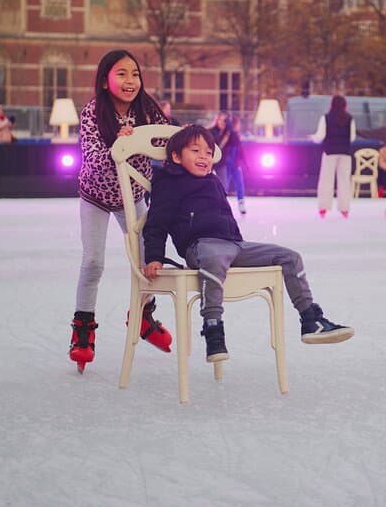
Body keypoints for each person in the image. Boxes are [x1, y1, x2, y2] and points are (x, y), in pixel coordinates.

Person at [142, 125, 354, 362]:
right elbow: (156, 224)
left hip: (233, 244)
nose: (204, 157)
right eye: (195, 151)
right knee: (214, 259)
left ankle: (310, 319)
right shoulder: (169, 184)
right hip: (200, 247)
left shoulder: (212, 181)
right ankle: (213, 329)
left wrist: (236, 243)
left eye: (209, 152)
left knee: (290, 257)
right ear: (176, 156)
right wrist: (154, 257)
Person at [70, 49, 172, 373]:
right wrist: (121, 143)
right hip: (96, 196)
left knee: (148, 260)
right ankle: (83, 328)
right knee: (94, 261)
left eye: (135, 74)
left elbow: (168, 142)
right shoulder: (92, 113)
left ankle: (143, 315)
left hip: (135, 194)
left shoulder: (147, 110)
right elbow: (94, 161)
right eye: (121, 74)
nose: (130, 81)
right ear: (104, 81)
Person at [310, 94, 356, 218]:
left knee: (326, 180)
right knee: (344, 181)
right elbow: (352, 138)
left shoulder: (326, 118)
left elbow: (320, 136)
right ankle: (344, 209)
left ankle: (323, 208)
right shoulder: (350, 119)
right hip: (345, 153)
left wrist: (312, 137)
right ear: (345, 105)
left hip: (329, 152)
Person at [224, 114, 247, 215]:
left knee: (239, 184)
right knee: (226, 184)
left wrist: (245, 163)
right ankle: (223, 204)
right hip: (228, 163)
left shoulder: (236, 135)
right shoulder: (231, 133)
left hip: (235, 164)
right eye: (238, 124)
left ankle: (241, 202)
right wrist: (227, 118)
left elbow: (241, 151)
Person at [207, 111, 232, 189]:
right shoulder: (211, 131)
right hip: (210, 160)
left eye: (225, 121)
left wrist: (230, 130)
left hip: (221, 162)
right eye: (221, 120)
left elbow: (236, 143)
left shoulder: (228, 132)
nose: (223, 123)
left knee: (224, 186)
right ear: (217, 120)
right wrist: (226, 136)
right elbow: (218, 147)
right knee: (206, 183)